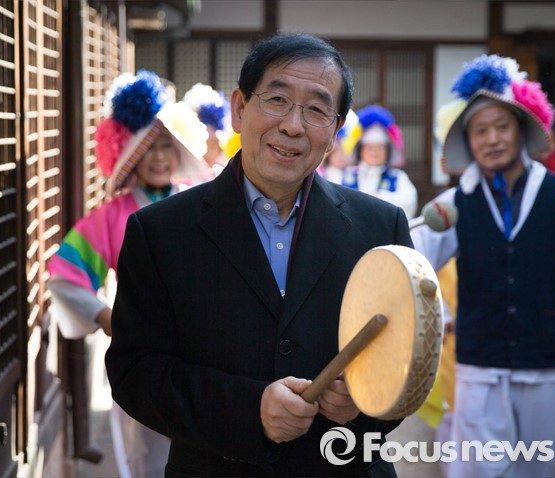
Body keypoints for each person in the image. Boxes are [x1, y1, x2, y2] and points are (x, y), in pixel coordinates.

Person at [106, 33, 413, 477]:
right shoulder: (160, 232)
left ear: (334, 132)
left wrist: (366, 404)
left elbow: (406, 362)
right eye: (277, 99)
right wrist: (249, 410)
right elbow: (135, 371)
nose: (293, 125)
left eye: (316, 109)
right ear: (239, 109)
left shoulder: (381, 227)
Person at [47, 70, 210, 477]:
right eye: (148, 147)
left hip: (203, 349)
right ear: (130, 154)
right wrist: (105, 316)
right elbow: (66, 273)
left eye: (167, 145)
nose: (159, 156)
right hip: (142, 350)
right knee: (148, 456)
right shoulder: (112, 216)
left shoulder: (203, 204)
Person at [410, 54, 555, 477]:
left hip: (549, 366)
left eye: (501, 126)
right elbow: (413, 262)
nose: (492, 138)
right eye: (480, 130)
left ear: (521, 129)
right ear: (468, 140)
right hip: (479, 367)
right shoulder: (454, 205)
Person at [340, 105, 418, 219]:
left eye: (380, 147)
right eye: (370, 147)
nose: (375, 152)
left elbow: (408, 202)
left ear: (388, 150)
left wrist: (379, 197)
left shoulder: (398, 177)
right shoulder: (345, 175)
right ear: (360, 149)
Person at [183, 82, 233, 175]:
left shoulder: (227, 172)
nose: (207, 152)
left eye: (213, 145)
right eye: (202, 143)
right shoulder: (182, 173)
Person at [318, 109, 357, 184]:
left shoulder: (354, 174)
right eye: (336, 153)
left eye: (344, 153)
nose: (340, 156)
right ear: (328, 156)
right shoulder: (322, 174)